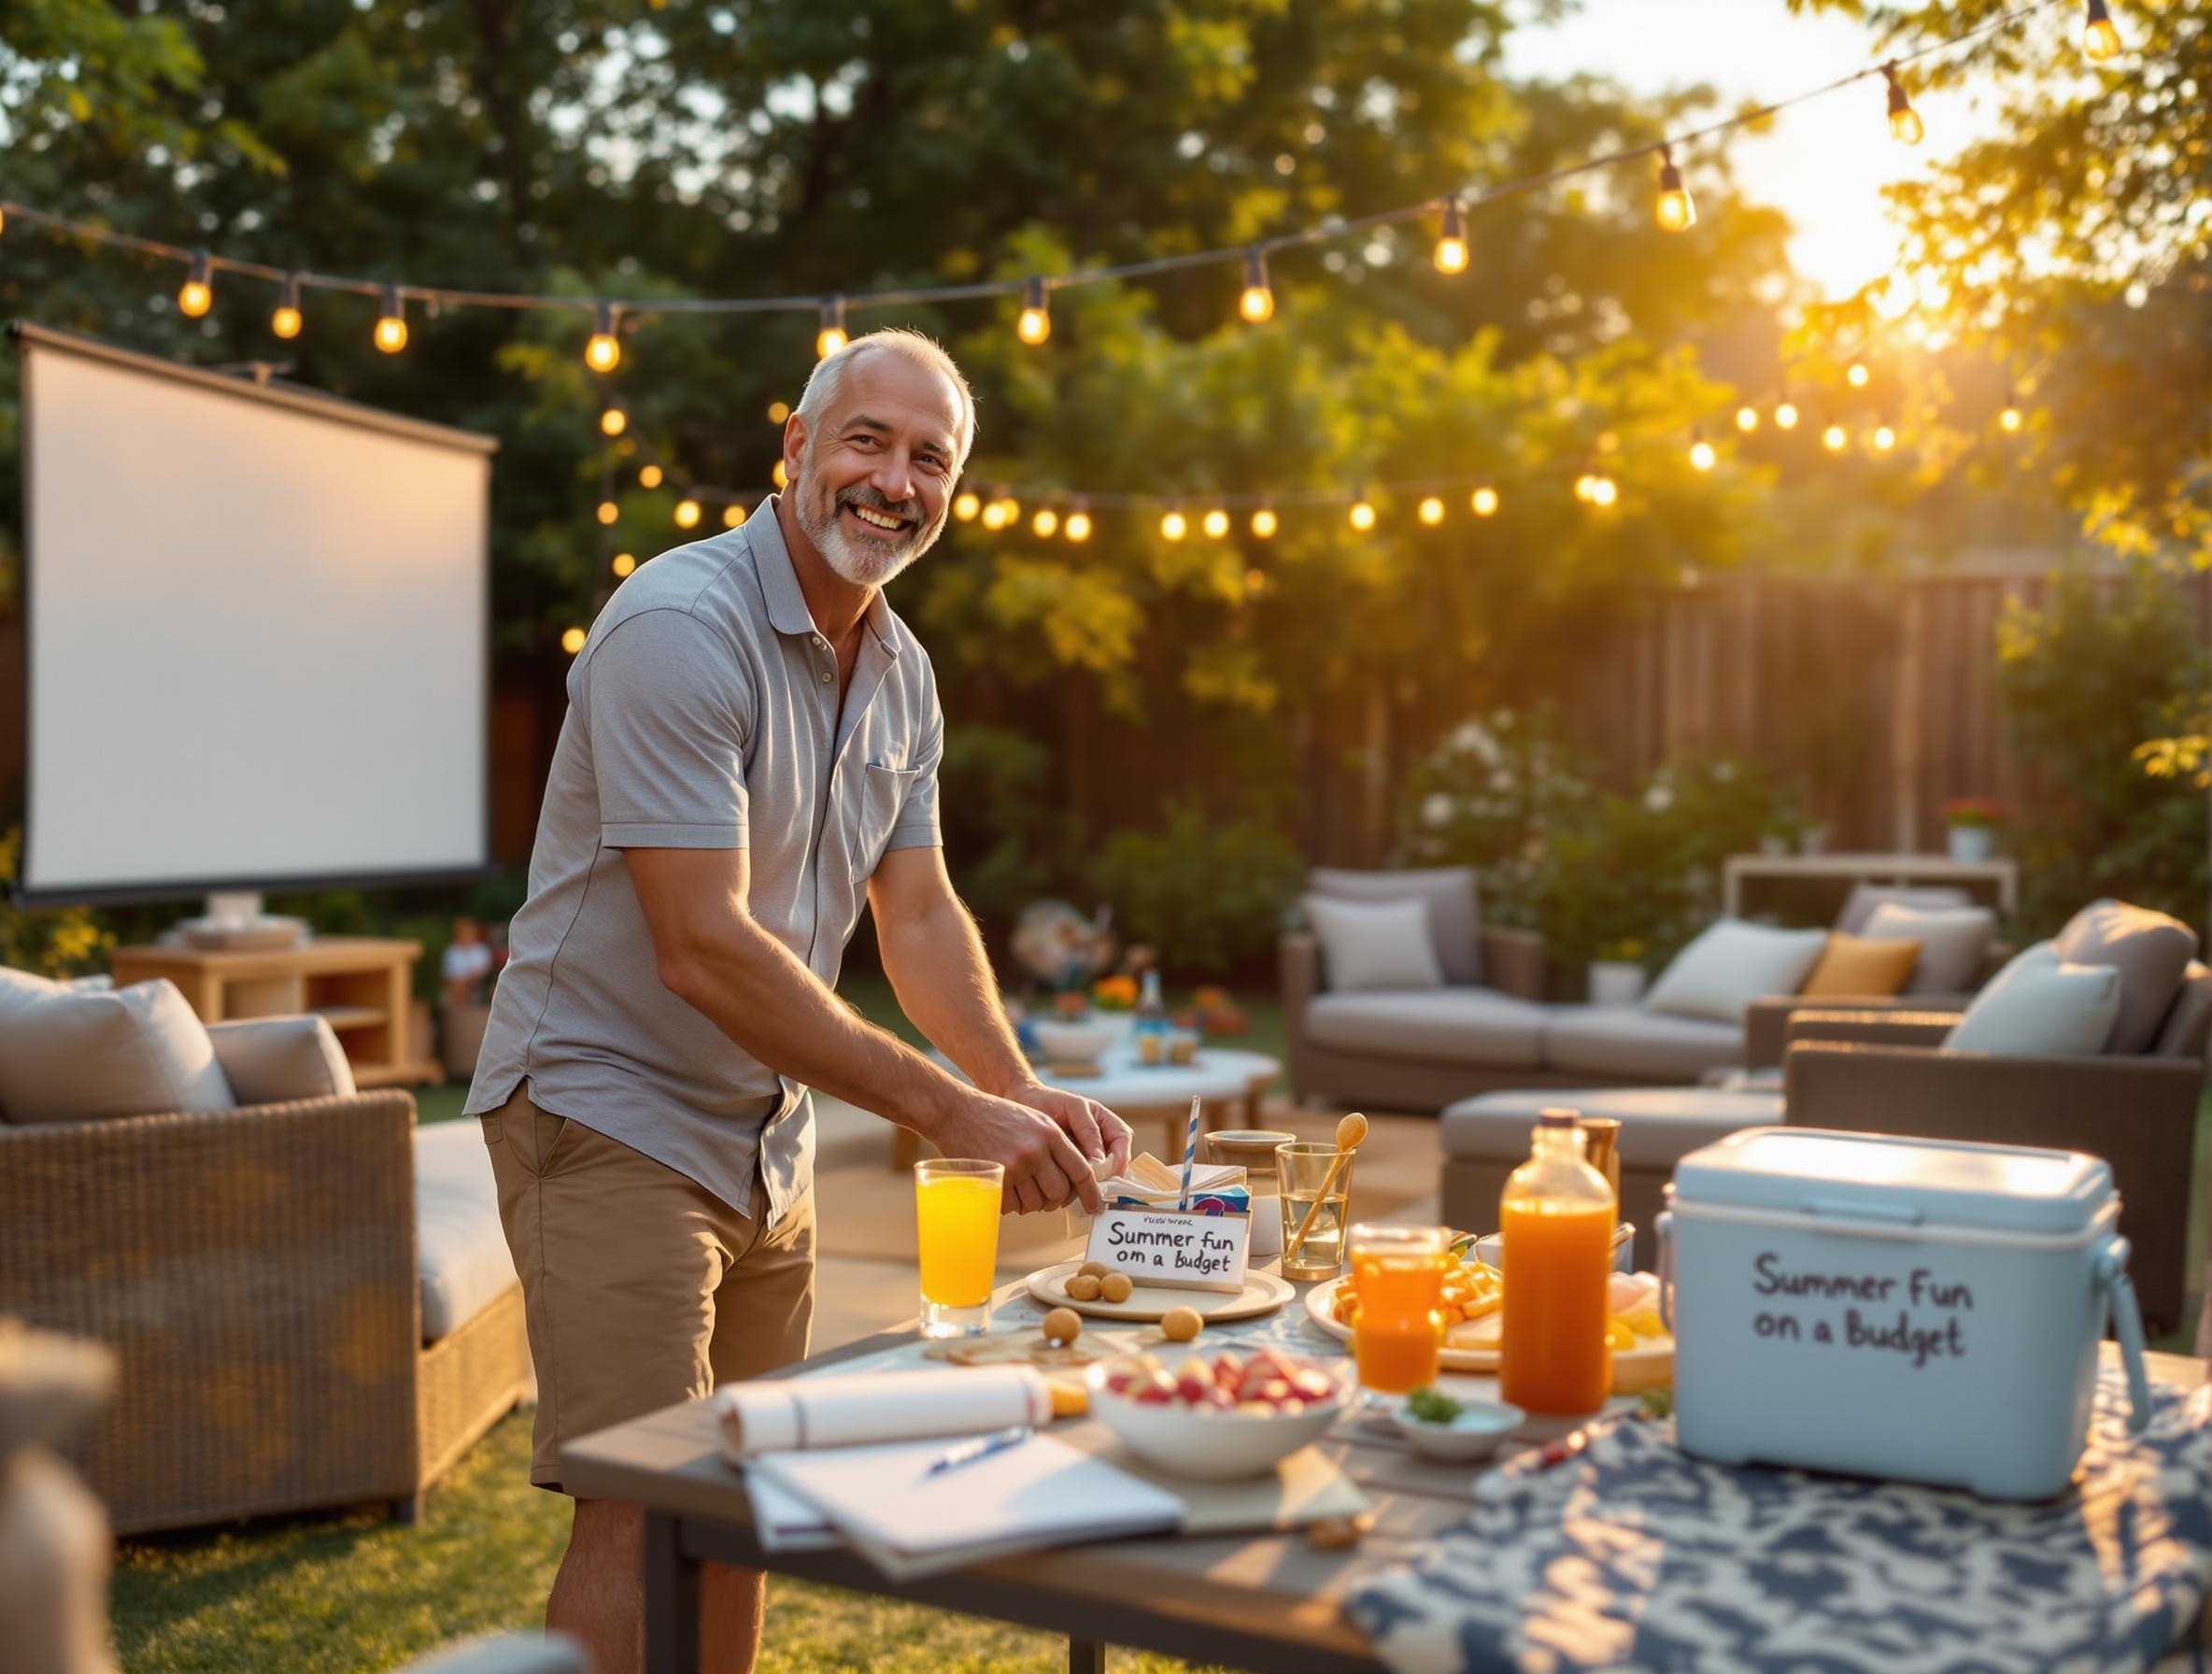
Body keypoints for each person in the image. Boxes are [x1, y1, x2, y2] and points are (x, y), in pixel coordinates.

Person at [463, 328, 1131, 1674]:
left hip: (767, 1134)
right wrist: (947, 1113)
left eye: (929, 458)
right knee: (646, 1499)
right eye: (868, 441)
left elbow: (921, 913)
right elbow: (700, 946)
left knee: (746, 1499)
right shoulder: (674, 625)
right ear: (798, 450)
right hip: (608, 1107)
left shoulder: (904, 672)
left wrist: (1013, 1092)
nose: (896, 480)